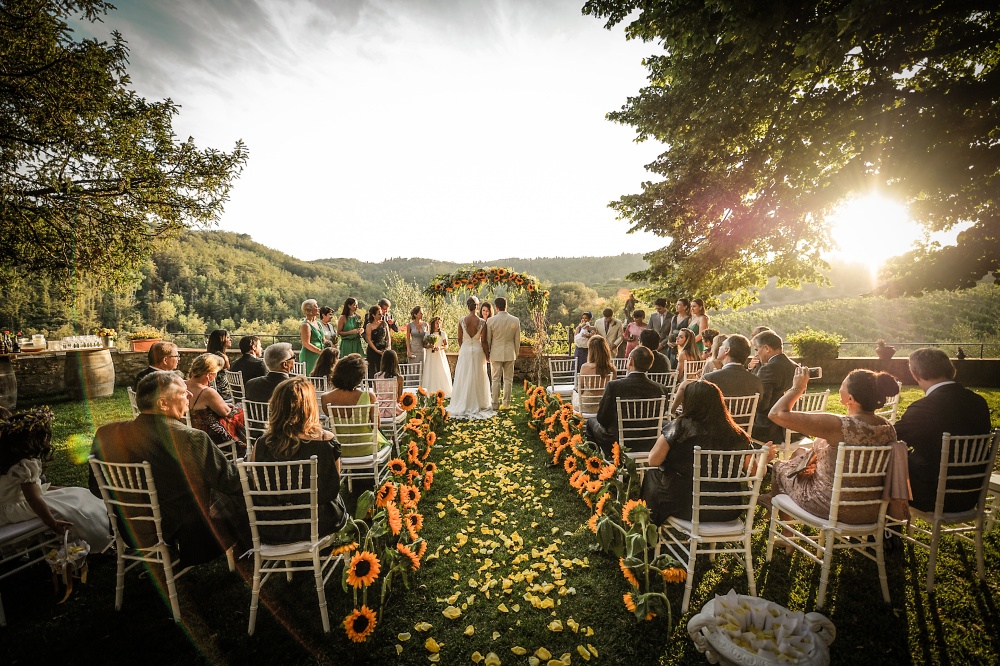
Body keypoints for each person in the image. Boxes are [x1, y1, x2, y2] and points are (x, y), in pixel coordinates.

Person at [90, 371, 249, 567]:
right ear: (163, 404)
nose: (190, 395)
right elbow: (232, 482)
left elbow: (96, 487)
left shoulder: (105, 434)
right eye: (183, 393)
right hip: (186, 534)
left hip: (128, 527)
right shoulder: (191, 438)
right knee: (238, 495)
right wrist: (251, 463)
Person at [764, 368, 899, 524]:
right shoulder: (889, 428)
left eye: (843, 385)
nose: (840, 388)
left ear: (850, 398)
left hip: (830, 507)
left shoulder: (838, 425)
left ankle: (787, 534)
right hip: (873, 510)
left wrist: (798, 388)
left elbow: (776, 414)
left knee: (779, 468)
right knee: (801, 455)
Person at [641, 381, 754, 526]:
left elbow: (653, 460)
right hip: (728, 508)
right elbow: (754, 471)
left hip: (687, 506)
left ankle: (648, 528)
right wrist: (766, 459)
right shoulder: (737, 433)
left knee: (652, 475)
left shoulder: (680, 426)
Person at [251, 377, 347, 542]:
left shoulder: (261, 444)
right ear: (309, 407)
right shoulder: (326, 441)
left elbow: (256, 483)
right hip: (319, 523)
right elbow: (333, 485)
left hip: (273, 525)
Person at [895, 348, 992, 513]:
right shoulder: (978, 402)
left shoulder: (924, 408)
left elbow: (891, 437)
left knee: (887, 467)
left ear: (915, 374)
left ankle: (885, 533)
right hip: (970, 495)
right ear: (950, 369)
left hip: (929, 496)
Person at [1, 407, 111, 550]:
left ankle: (102, 527)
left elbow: (29, 491)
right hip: (16, 509)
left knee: (76, 493)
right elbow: (33, 498)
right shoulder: (25, 465)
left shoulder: (8, 459)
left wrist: (63, 489)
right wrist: (52, 523)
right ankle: (97, 535)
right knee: (74, 505)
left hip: (7, 507)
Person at [586, 347, 669, 456]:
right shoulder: (661, 389)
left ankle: (594, 462)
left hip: (617, 441)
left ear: (631, 361)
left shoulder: (614, 386)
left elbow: (602, 418)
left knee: (591, 422)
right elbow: (661, 416)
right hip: (649, 441)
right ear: (650, 365)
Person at [321, 354, 391, 456]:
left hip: (341, 449)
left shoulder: (326, 398)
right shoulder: (369, 396)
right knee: (386, 442)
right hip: (367, 448)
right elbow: (376, 425)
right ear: (359, 377)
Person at [185, 353, 246, 448]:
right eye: (216, 372)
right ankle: (243, 445)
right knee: (241, 411)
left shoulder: (181, 385)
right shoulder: (207, 392)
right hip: (207, 436)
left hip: (187, 432)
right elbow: (226, 412)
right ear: (209, 374)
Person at [450, 296, 494, 419]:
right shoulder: (482, 322)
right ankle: (479, 402)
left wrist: (464, 347)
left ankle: (463, 401)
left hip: (465, 350)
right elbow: (484, 341)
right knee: (477, 376)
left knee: (463, 375)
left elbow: (459, 339)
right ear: (477, 307)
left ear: (467, 306)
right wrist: (487, 355)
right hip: (478, 351)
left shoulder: (462, 320)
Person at [750, 330, 797, 443]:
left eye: (757, 349)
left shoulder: (768, 369)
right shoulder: (794, 366)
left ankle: (754, 460)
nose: (756, 354)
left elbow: (762, 405)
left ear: (767, 348)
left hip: (769, 428)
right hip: (793, 426)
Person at [486, 296, 521, 411]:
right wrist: (515, 352)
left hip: (496, 353)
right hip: (510, 353)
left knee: (495, 379)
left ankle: (495, 404)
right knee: (508, 380)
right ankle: (506, 404)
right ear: (506, 306)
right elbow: (517, 340)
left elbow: (488, 340)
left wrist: (488, 353)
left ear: (496, 308)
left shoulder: (491, 321)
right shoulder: (515, 320)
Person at [421, 316, 452, 397]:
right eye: (436, 323)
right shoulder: (428, 334)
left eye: (439, 323)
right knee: (430, 371)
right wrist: (430, 346)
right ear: (433, 324)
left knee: (441, 371)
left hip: (439, 356)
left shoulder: (442, 334)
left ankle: (442, 391)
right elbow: (424, 344)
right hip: (430, 356)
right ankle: (429, 391)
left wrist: (440, 348)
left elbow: (446, 346)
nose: (438, 325)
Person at [373, 349, 405, 419]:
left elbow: (375, 394)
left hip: (378, 409)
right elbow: (399, 397)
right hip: (392, 409)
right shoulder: (399, 378)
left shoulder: (376, 376)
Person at [299, 299, 325, 375]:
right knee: (309, 377)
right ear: (309, 310)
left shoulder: (318, 324)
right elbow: (306, 343)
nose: (318, 309)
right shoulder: (305, 325)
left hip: (320, 355)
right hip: (309, 356)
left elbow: (323, 339)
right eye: (316, 307)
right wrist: (320, 351)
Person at [206, 329, 233, 402]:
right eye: (228, 337)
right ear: (221, 340)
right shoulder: (222, 358)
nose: (231, 339)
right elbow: (229, 376)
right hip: (223, 393)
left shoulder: (209, 355)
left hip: (212, 390)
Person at [363, 306, 390, 379]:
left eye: (381, 314)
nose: (381, 316)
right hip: (373, 350)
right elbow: (368, 339)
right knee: (373, 370)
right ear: (373, 315)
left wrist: (388, 347)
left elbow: (388, 337)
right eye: (379, 314)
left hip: (383, 349)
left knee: (384, 369)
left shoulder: (384, 324)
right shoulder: (369, 325)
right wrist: (376, 350)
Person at [666, 299, 692, 369]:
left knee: (677, 363)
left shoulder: (689, 319)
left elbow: (688, 334)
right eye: (676, 304)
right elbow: (671, 331)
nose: (676, 306)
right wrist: (668, 341)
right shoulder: (674, 317)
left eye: (679, 305)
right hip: (671, 343)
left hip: (681, 344)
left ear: (685, 307)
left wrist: (679, 343)